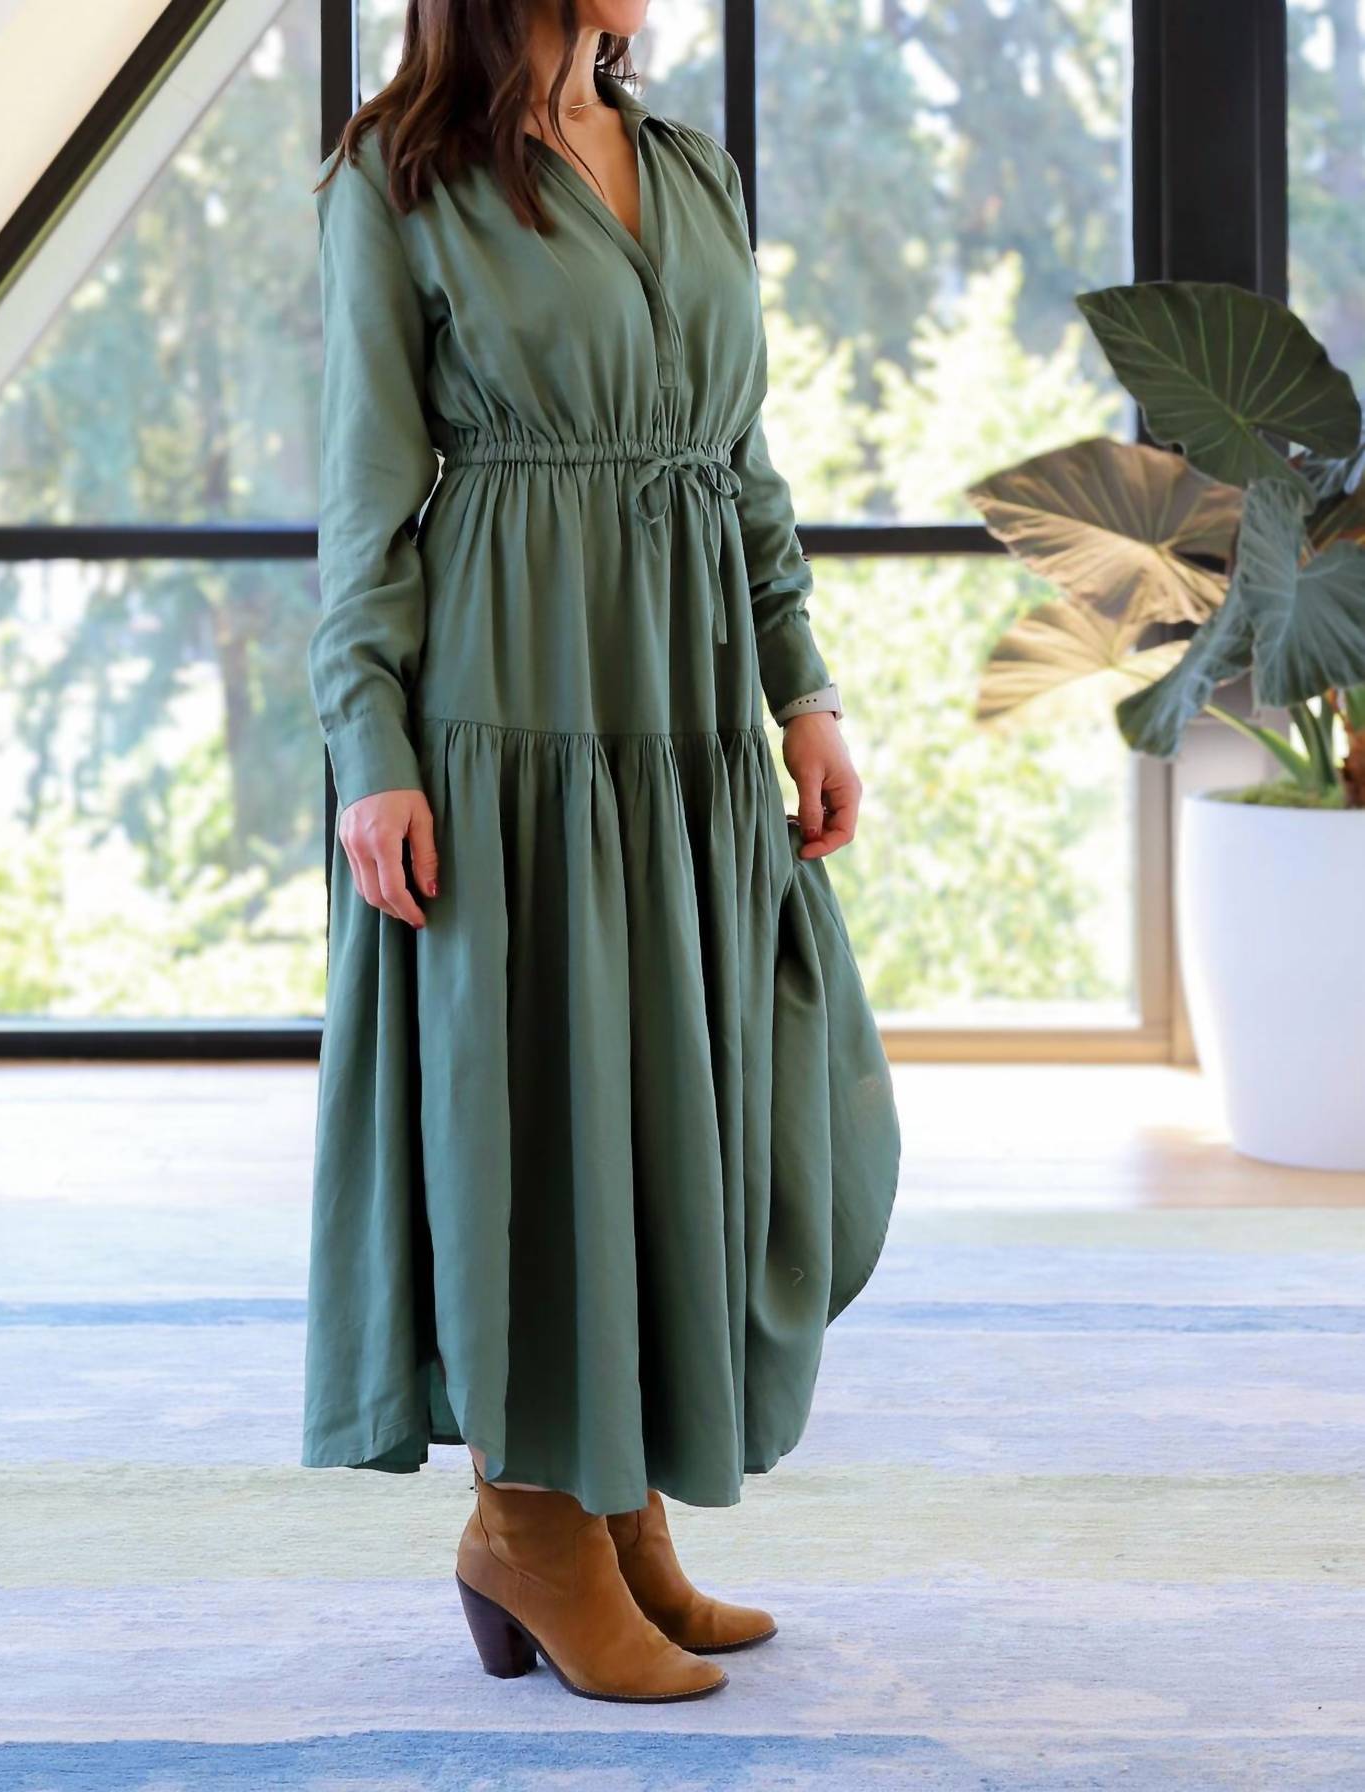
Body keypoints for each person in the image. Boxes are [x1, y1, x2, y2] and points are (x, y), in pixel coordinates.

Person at [302, 0, 901, 1704]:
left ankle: (620, 1505)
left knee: (669, 1101)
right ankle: (529, 1523)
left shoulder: (692, 169)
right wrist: (370, 750)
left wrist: (802, 691)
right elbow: (365, 491)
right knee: (536, 1109)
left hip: (683, 717)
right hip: (511, 717)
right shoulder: (397, 177)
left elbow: (742, 461)